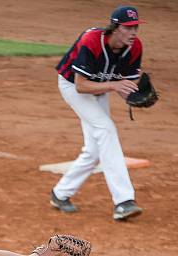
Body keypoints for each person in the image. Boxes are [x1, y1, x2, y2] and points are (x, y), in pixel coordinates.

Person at [51, 5, 146, 221]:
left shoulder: (135, 46)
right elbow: (81, 86)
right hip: (73, 86)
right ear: (114, 27)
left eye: (136, 27)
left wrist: (133, 94)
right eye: (128, 27)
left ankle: (60, 193)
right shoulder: (91, 40)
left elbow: (129, 82)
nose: (133, 32)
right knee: (106, 129)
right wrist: (115, 86)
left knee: (95, 149)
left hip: (101, 87)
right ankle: (124, 201)